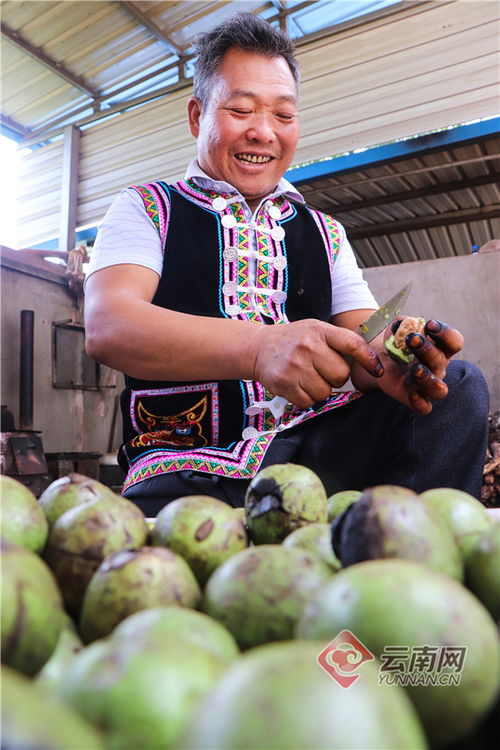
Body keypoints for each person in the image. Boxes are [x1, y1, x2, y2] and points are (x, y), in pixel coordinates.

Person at [84, 13, 488, 514]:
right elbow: (109, 325)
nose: (263, 132)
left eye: (283, 114)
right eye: (240, 109)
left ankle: (402, 547)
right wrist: (259, 347)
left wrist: (399, 360)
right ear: (196, 116)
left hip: (315, 454)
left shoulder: (324, 231)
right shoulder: (148, 207)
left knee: (460, 387)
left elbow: (364, 338)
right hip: (187, 467)